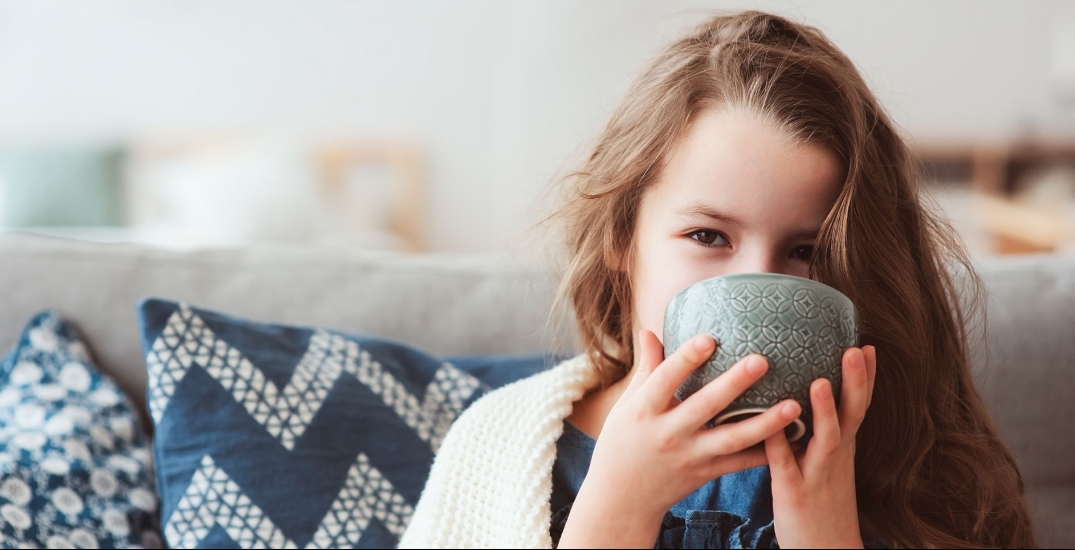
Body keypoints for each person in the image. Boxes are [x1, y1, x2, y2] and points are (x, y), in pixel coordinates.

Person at [399, 10, 1035, 549]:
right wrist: (617, 509)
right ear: (622, 238)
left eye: (806, 249)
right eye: (708, 236)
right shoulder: (497, 447)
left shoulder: (911, 461)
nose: (757, 279)